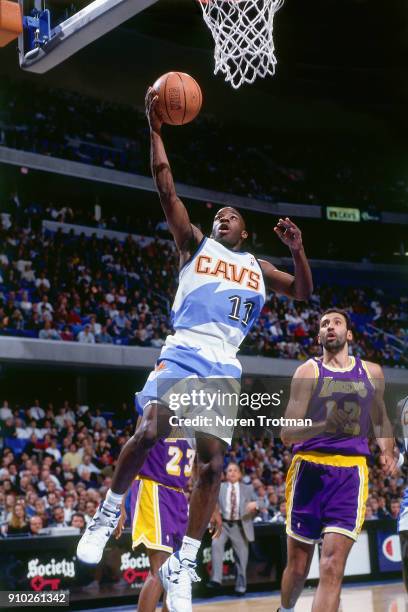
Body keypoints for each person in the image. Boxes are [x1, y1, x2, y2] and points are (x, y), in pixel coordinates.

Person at [77, 86, 313, 612]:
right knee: (149, 427)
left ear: (246, 230)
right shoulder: (194, 245)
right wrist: (155, 130)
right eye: (219, 214)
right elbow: (166, 190)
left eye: (232, 216)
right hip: (184, 349)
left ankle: (184, 558)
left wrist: (298, 252)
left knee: (211, 466)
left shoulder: (257, 266)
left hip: (223, 365)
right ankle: (106, 512)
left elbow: (302, 293)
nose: (222, 217)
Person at [278, 308, 396, 612]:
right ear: (319, 335)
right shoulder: (308, 371)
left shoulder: (372, 372)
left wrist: (386, 450)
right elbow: (286, 433)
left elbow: (380, 419)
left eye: (337, 322)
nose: (330, 327)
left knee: (331, 566)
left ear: (349, 334)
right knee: (299, 567)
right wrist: (323, 425)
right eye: (324, 324)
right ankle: (286, 609)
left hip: (350, 474)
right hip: (308, 468)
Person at [114, 435, 198, 612]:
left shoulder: (198, 422)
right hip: (153, 489)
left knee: (176, 572)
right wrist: (118, 498)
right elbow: (133, 454)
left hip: (178, 494)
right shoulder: (159, 413)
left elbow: (201, 465)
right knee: (159, 570)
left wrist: (213, 506)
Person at [207, 462, 256, 595]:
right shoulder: (220, 487)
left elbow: (262, 502)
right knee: (216, 544)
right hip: (223, 525)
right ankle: (216, 579)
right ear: (226, 475)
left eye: (235, 470)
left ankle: (241, 587)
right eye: (229, 471)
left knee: (242, 558)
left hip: (239, 526)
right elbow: (211, 503)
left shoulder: (248, 488)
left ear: (240, 474)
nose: (232, 473)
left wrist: (255, 504)